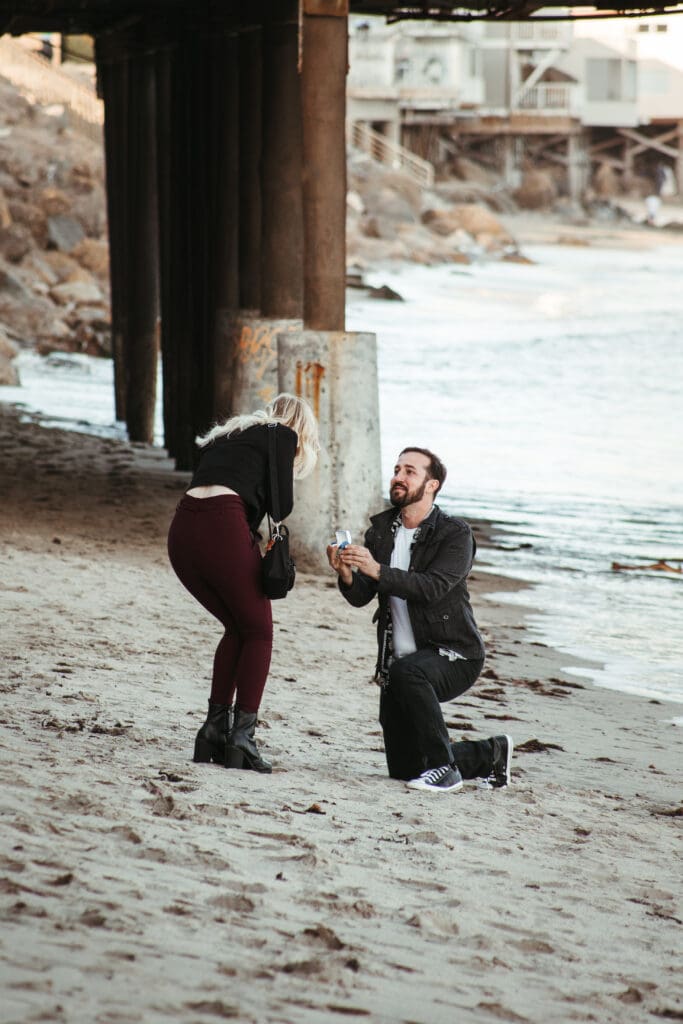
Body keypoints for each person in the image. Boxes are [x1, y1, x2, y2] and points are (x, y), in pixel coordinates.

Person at [327, 447, 512, 794]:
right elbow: (363, 595)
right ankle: (491, 753)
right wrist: (347, 573)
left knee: (408, 673)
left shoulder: (455, 533)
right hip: (399, 661)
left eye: (410, 471)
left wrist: (377, 569)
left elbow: (433, 587)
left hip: (454, 654)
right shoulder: (381, 532)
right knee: (405, 768)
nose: (398, 476)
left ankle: (446, 769)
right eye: (397, 469)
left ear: (432, 485)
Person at [168, 393, 319, 773]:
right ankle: (242, 738)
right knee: (260, 633)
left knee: (238, 628)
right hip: (221, 524)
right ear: (301, 428)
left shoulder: (225, 435)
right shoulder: (282, 435)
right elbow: (281, 508)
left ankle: (213, 732)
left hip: (183, 529)